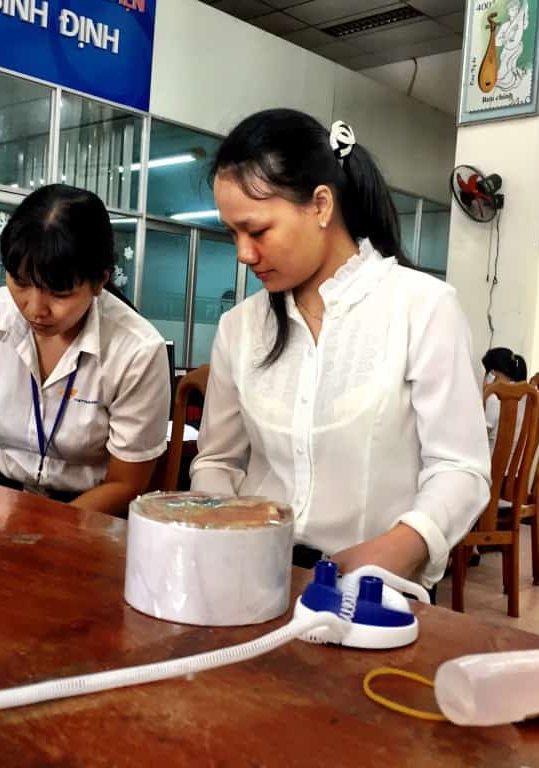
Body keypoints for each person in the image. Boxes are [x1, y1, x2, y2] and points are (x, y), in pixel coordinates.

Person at [189, 109, 490, 588]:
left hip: (371, 588)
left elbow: (459, 467)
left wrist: (402, 546)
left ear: (322, 206)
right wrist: (223, 522)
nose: (244, 254)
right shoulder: (240, 328)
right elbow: (219, 460)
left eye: (258, 231)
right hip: (253, 574)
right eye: (233, 234)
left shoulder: (423, 308)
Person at [0, 185, 170, 516]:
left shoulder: (137, 350)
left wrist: (47, 532)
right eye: (20, 282)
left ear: (99, 281)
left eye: (59, 293)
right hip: (1, 497)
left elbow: (126, 484)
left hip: (91, 513)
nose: (35, 309)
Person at [481, 347, 528, 454]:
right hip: (514, 467)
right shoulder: (526, 395)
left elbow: (480, 437)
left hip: (490, 466)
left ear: (492, 374)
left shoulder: (495, 397)